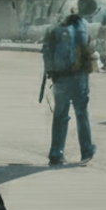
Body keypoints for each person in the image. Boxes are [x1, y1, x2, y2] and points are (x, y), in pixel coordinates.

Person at [43, 13, 96, 167]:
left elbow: (46, 53)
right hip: (78, 78)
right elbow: (90, 51)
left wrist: (51, 72)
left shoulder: (55, 30)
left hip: (59, 78)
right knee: (82, 115)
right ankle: (86, 150)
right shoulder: (83, 29)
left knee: (60, 115)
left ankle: (56, 152)